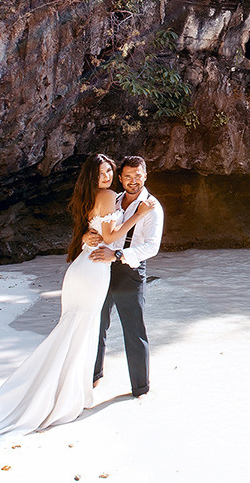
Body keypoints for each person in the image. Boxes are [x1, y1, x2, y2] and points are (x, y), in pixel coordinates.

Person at [0, 154, 157, 455]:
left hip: (99, 269)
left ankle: (99, 388)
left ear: (141, 175)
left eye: (109, 171)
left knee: (88, 330)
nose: (108, 176)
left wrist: (100, 237)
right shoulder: (110, 197)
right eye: (104, 172)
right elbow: (110, 234)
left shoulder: (117, 199)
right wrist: (136, 216)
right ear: (100, 177)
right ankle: (68, 392)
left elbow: (138, 243)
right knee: (86, 329)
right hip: (94, 271)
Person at [83, 155, 163, 398]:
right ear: (120, 178)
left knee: (134, 331)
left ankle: (140, 388)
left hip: (129, 272)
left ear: (145, 176)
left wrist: (117, 254)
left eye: (138, 176)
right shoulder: (113, 199)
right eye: (127, 176)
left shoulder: (151, 206)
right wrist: (87, 236)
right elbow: (98, 227)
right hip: (101, 271)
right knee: (97, 325)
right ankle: (94, 376)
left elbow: (152, 247)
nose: (133, 181)